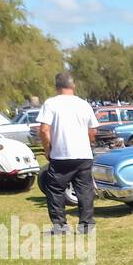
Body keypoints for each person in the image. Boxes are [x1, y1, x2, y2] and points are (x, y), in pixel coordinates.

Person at [37, 72, 98, 232]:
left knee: (55, 190)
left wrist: (47, 150)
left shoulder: (51, 104)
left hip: (61, 154)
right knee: (85, 190)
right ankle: (86, 225)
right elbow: (92, 131)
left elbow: (44, 130)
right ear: (73, 85)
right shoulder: (84, 104)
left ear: (57, 87)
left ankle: (60, 225)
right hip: (83, 154)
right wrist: (89, 144)